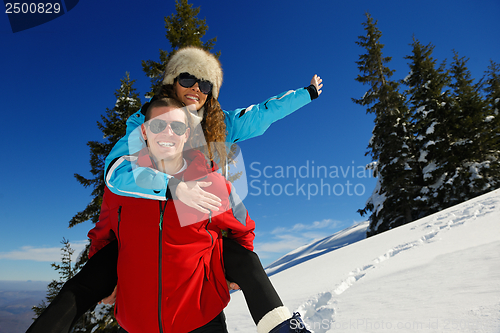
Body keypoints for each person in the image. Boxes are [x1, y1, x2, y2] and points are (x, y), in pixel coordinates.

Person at [26, 46, 320, 333]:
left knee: (240, 256)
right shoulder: (147, 120)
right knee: (99, 270)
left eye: (205, 84)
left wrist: (305, 94)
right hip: (146, 221)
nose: (196, 88)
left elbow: (262, 114)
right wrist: (173, 186)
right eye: (188, 79)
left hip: (197, 232)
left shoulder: (217, 124)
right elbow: (117, 172)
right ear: (172, 82)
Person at [89, 98, 256, 332]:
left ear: (186, 135)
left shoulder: (211, 184)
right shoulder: (122, 188)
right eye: (158, 125)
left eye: (176, 127)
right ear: (144, 132)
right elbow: (102, 237)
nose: (168, 132)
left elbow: (243, 230)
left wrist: (230, 271)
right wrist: (105, 281)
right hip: (136, 322)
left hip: (202, 319)